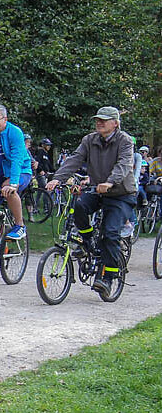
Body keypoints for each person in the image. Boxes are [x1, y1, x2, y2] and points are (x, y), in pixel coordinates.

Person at [46, 106, 135, 298]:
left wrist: (110, 182)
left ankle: (108, 277)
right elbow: (75, 160)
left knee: (110, 233)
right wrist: (57, 179)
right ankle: (87, 241)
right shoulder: (89, 140)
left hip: (121, 193)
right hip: (97, 190)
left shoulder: (125, 141)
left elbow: (124, 164)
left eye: (104, 120)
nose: (99, 123)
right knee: (79, 206)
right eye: (97, 119)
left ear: (115, 123)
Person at [0, 105, 32, 272]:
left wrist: (13, 183)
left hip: (20, 172)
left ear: (5, 119)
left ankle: (20, 225)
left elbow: (17, 159)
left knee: (7, 188)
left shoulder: (14, 132)